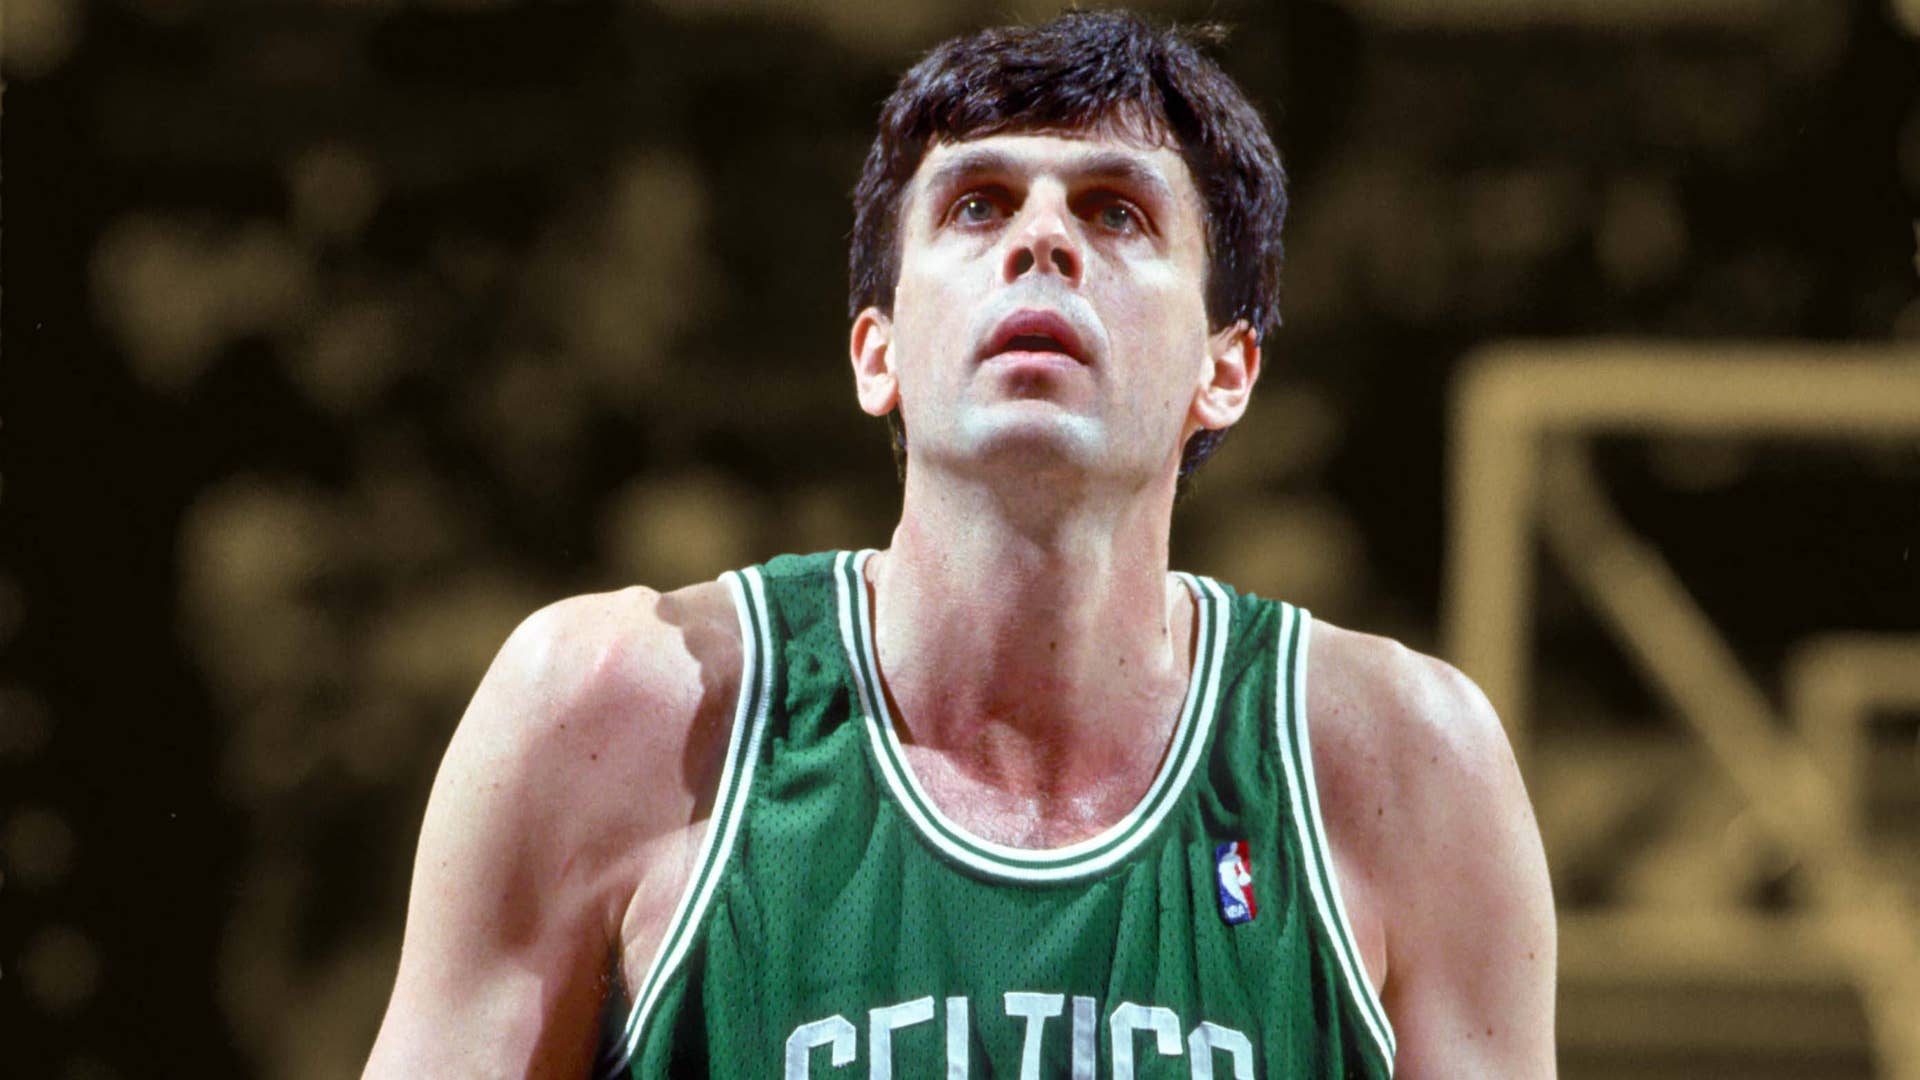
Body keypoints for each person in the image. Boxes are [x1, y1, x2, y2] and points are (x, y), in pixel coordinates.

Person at [365, 11, 1555, 1078]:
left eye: (1117, 211)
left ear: (1226, 369)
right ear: (875, 350)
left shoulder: (1402, 766)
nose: (1042, 241)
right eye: (977, 204)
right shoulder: (611, 713)